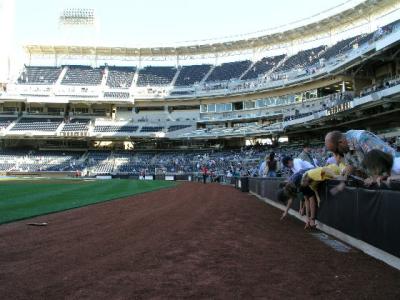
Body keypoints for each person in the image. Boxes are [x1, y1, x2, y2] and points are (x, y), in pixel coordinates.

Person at [325, 130, 398, 177]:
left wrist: (374, 178)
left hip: (394, 170)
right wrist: (345, 174)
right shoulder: (345, 148)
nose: (336, 154)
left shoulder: (361, 138)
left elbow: (380, 160)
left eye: (336, 150)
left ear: (341, 142)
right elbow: (352, 164)